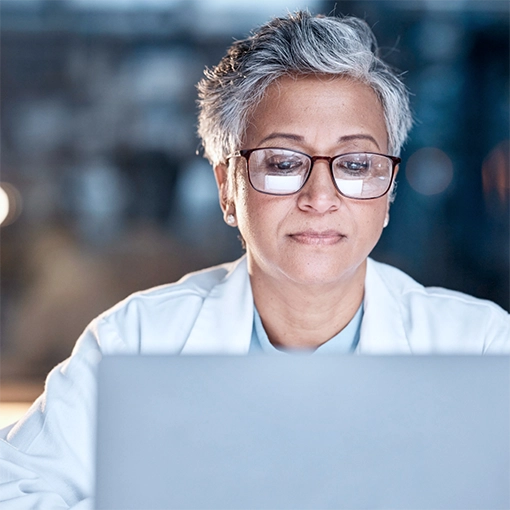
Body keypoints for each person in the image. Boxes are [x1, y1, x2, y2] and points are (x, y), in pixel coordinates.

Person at [1, 10, 510, 509]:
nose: (320, 197)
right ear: (227, 188)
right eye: (285, 162)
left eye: (355, 164)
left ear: (389, 191)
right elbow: (14, 488)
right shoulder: (135, 339)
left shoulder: (482, 347)